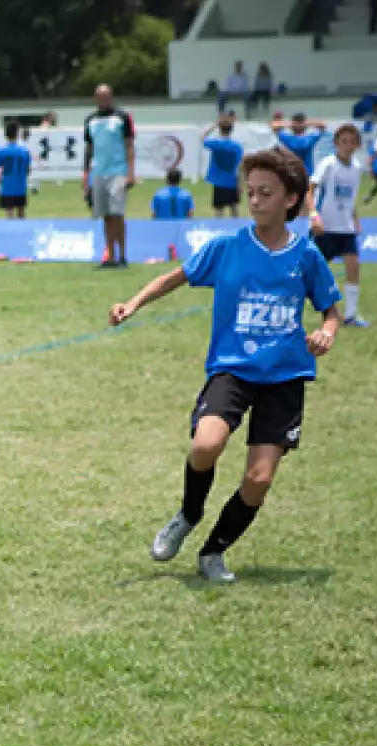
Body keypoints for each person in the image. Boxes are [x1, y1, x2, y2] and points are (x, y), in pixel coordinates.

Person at [108, 147, 342, 585]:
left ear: (291, 199)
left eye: (266, 193)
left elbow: (331, 308)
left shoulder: (306, 256)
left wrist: (327, 332)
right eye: (250, 192)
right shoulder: (229, 247)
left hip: (285, 376)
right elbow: (174, 277)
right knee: (204, 446)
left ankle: (214, 551)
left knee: (259, 477)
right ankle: (187, 514)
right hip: (232, 370)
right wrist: (133, 303)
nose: (255, 201)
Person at [309, 124, 368, 328]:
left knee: (353, 266)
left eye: (352, 141)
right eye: (344, 141)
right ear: (336, 143)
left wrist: (356, 220)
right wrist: (313, 214)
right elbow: (310, 190)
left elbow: (351, 199)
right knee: (313, 273)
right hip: (325, 228)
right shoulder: (328, 164)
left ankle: (350, 315)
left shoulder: (357, 168)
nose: (348, 146)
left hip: (346, 228)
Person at [83, 84, 136, 269]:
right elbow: (89, 150)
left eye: (107, 96)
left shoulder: (122, 117)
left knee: (117, 213)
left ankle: (122, 255)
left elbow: (129, 145)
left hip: (118, 171)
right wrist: (86, 178)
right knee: (105, 215)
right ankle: (110, 256)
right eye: (100, 96)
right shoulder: (90, 120)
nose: (104, 99)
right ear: (96, 98)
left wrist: (130, 173)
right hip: (99, 172)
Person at [202, 112, 244, 217]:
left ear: (220, 129)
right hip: (232, 181)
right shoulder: (237, 147)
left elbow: (202, 137)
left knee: (218, 210)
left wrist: (215, 125)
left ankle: (220, 231)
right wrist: (241, 184)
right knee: (234, 210)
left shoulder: (215, 143)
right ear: (231, 130)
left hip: (219, 182)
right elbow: (240, 166)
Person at [0, 124, 31, 219]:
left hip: (7, 186)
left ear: (5, 135)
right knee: (21, 211)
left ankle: (11, 232)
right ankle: (23, 231)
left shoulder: (0, 151)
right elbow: (28, 169)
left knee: (9, 211)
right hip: (20, 186)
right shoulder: (24, 151)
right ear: (17, 134)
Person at [272, 111, 327, 176]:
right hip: (306, 174)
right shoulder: (311, 137)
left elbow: (275, 127)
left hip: (292, 174)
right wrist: (305, 123)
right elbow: (322, 126)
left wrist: (292, 124)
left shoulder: (286, 138)